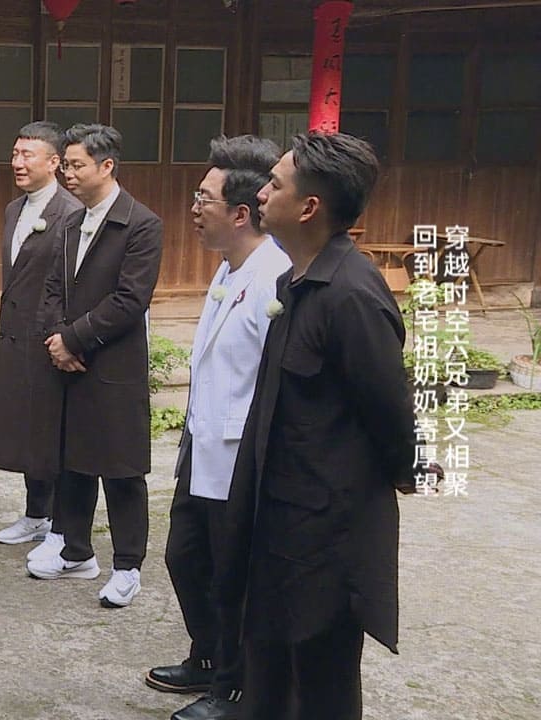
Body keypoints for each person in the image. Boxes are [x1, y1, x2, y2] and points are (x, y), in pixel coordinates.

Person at [225, 132, 422, 719]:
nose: (262, 193)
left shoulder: (350, 294)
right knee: (269, 662)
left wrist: (400, 473)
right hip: (278, 512)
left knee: (319, 676)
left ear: (309, 207)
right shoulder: (293, 282)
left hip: (326, 530)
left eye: (275, 184)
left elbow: (390, 413)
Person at [145, 136, 287, 720]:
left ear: (241, 213)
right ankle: (207, 656)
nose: (194, 208)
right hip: (202, 446)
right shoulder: (231, 267)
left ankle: (235, 687)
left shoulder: (275, 277)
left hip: (239, 459)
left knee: (233, 576)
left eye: (205, 198)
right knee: (186, 557)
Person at [29, 123, 162, 611]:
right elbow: (52, 288)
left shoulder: (141, 224)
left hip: (112, 364)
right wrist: (55, 339)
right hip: (69, 363)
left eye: (76, 165)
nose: (67, 173)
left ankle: (127, 566)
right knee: (72, 462)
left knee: (121, 469)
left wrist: (74, 337)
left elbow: (130, 299)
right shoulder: (70, 221)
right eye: (65, 165)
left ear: (107, 166)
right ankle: (76, 551)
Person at [0, 121, 82, 555]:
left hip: (50, 337)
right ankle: (35, 514)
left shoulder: (71, 212)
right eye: (15, 154)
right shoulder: (14, 209)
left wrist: (63, 336)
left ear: (54, 162)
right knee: (25, 427)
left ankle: (61, 525)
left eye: (28, 155)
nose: (18, 163)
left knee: (51, 430)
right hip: (15, 334)